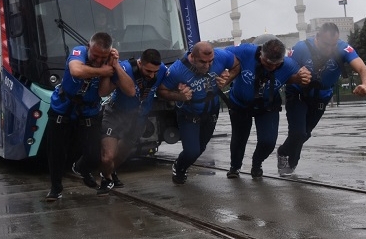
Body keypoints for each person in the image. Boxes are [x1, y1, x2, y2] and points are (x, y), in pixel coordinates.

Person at [276, 23, 366, 176]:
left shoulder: (342, 48)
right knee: (298, 132)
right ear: (317, 37)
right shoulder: (301, 48)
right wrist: (298, 77)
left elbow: (362, 68)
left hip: (321, 97)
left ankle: (285, 152)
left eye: (333, 45)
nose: (329, 50)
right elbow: (283, 73)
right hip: (298, 94)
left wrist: (365, 85)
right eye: (326, 45)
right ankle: (287, 158)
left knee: (305, 134)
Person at [45, 32, 130, 201]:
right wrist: (101, 69)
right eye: (95, 55)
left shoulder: (108, 63)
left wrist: (110, 68)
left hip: (89, 112)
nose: (98, 60)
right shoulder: (79, 52)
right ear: (88, 47)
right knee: (57, 152)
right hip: (63, 110)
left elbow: (103, 91)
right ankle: (56, 188)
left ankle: (82, 168)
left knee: (93, 155)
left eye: (103, 57)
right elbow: (76, 71)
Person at [224, 38, 311, 179]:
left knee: (268, 141)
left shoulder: (288, 64)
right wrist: (227, 69)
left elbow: (301, 76)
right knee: (239, 138)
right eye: (268, 63)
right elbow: (221, 55)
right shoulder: (246, 51)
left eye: (276, 65)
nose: (272, 67)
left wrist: (304, 77)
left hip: (267, 106)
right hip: (239, 104)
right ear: (260, 54)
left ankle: (257, 163)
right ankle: (235, 166)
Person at [158, 42, 239, 185]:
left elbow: (237, 64)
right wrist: (180, 96)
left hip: (211, 113)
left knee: (201, 148)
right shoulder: (177, 70)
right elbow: (161, 91)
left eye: (210, 62)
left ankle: (183, 164)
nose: (207, 66)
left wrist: (227, 79)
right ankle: (179, 167)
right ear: (192, 57)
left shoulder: (221, 56)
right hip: (189, 114)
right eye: (202, 62)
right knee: (192, 152)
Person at [96, 49, 166, 196]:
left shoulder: (162, 70)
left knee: (122, 154)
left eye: (155, 72)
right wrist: (114, 67)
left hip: (138, 118)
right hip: (115, 114)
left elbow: (167, 86)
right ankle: (106, 178)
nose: (152, 75)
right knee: (108, 156)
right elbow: (104, 92)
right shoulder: (125, 68)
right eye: (148, 71)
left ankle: (112, 171)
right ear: (140, 62)